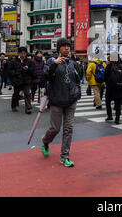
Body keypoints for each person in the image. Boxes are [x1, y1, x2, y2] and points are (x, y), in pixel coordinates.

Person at [41, 38, 81, 167]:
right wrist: (54, 64)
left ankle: (65, 156)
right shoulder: (51, 61)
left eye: (68, 46)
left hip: (71, 100)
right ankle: (45, 141)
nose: (67, 48)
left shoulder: (72, 63)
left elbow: (77, 78)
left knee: (68, 128)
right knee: (55, 128)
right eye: (64, 46)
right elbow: (45, 76)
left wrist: (77, 92)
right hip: (57, 100)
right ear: (59, 48)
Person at [8, 47, 36, 114]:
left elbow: (33, 70)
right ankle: (13, 105)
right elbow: (10, 70)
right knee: (16, 94)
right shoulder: (13, 61)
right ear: (19, 53)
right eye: (21, 53)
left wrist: (28, 68)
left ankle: (28, 108)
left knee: (27, 94)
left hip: (27, 80)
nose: (23, 55)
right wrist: (16, 73)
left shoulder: (29, 61)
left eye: (24, 53)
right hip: (17, 80)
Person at [104, 53, 122, 124]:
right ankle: (117, 119)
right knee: (118, 103)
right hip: (119, 87)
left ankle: (110, 116)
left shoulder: (109, 65)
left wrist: (107, 82)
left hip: (110, 87)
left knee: (108, 102)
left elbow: (105, 76)